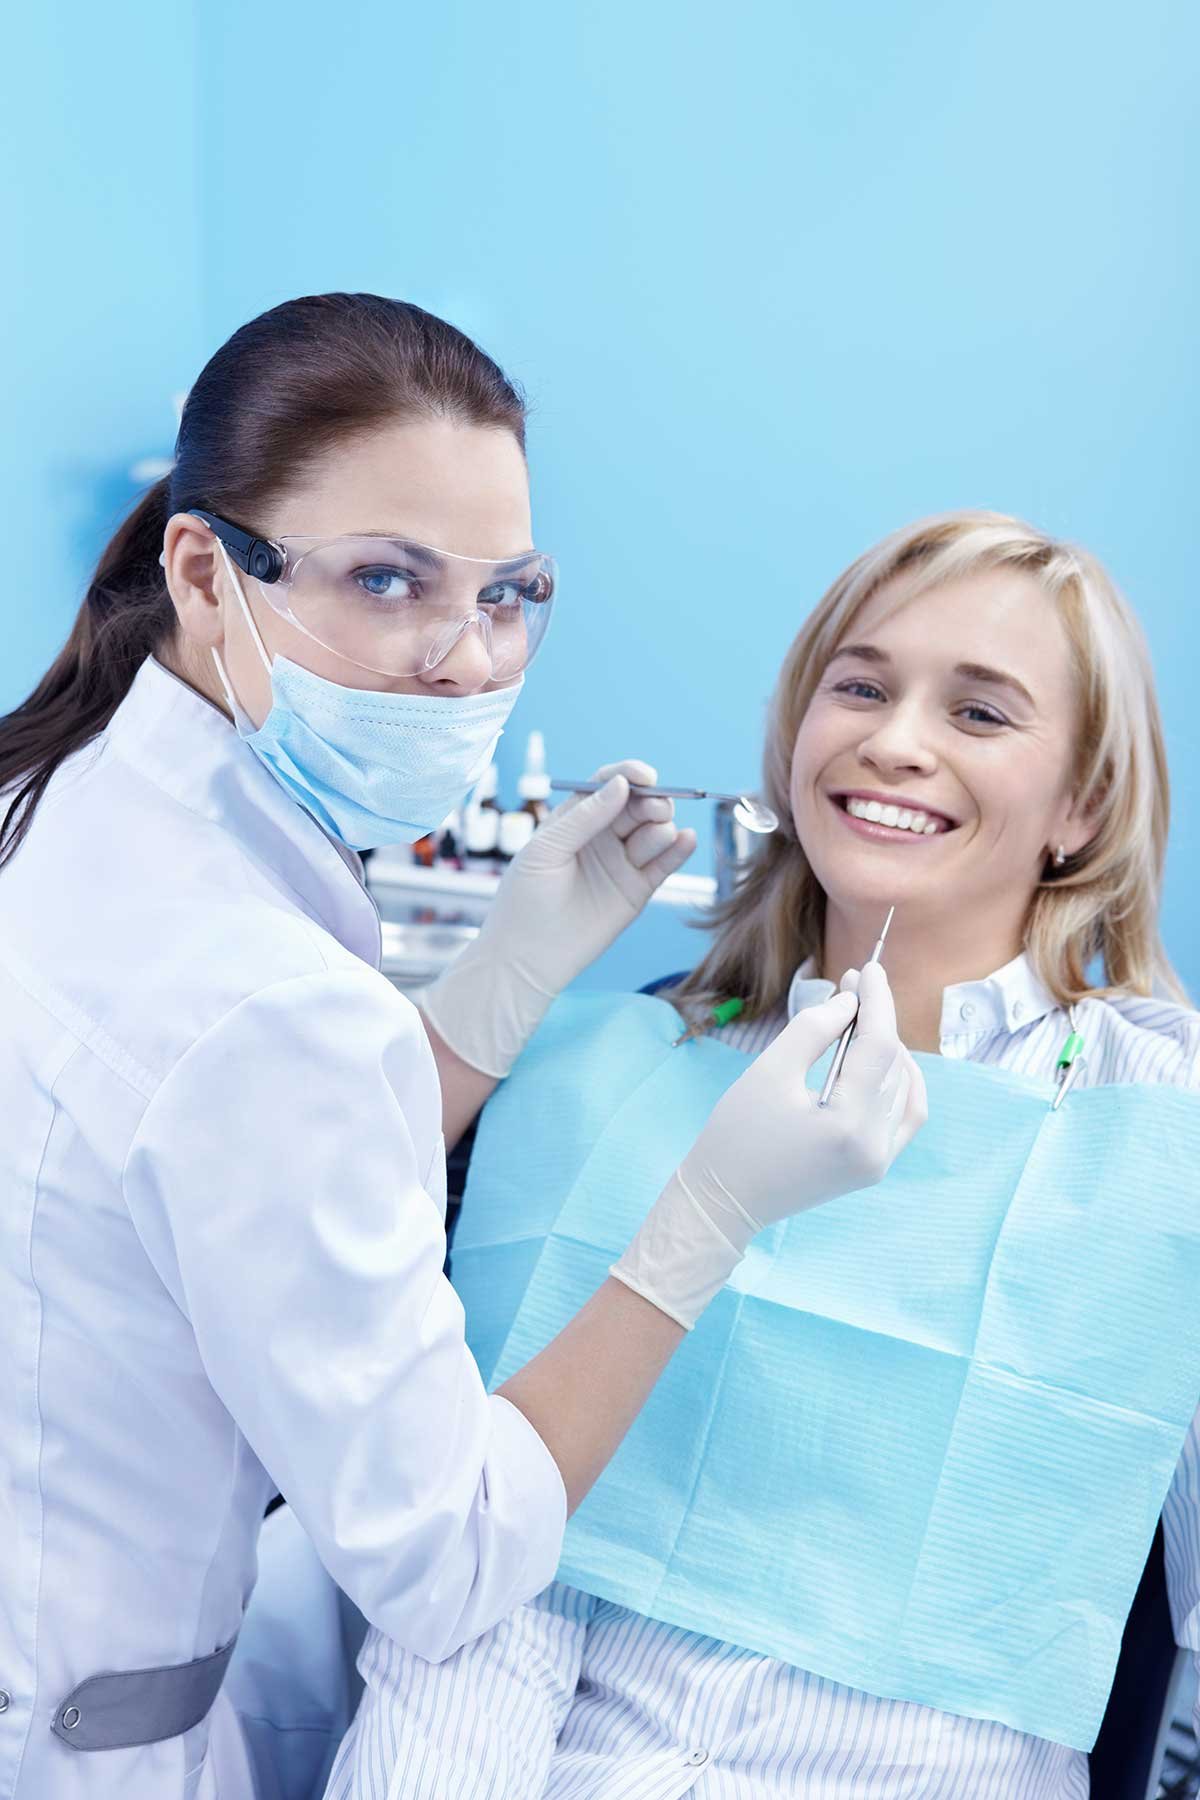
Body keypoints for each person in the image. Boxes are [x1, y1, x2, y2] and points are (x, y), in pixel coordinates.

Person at [0, 293, 924, 1800]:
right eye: (387, 580)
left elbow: (220, 1179)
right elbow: (453, 1557)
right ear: (202, 573)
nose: (469, 660)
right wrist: (708, 1216)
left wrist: (498, 990)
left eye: (511, 595)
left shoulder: (56, 793)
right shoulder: (265, 997)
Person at [323, 509, 1200, 1800]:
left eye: (979, 712)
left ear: (1083, 805)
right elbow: (485, 1605)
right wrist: (490, 995)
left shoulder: (1158, 1128)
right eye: (861, 687)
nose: (894, 742)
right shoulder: (616, 1075)